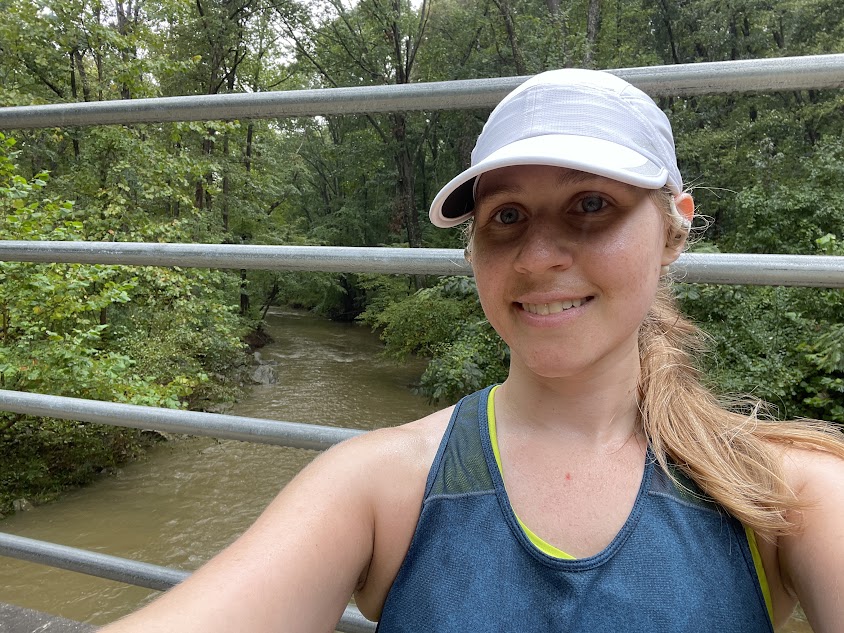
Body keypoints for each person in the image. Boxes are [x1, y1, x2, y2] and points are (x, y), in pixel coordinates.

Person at [101, 69, 844, 632]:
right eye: (507, 216)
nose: (538, 256)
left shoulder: (784, 495)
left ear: (673, 229)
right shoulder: (379, 486)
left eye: (591, 205)